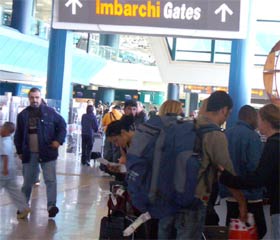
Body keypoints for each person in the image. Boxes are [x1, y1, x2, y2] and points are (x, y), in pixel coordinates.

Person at [158, 91, 247, 239]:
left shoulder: (183, 126)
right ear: (224, 110)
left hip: (167, 198)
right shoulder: (215, 135)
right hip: (193, 200)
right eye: (229, 113)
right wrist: (242, 202)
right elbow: (227, 173)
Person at [219, 103, 280, 240]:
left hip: (234, 193)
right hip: (254, 197)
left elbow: (259, 176)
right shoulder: (256, 138)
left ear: (265, 121)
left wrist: (227, 179)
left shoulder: (273, 144)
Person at [14, 87, 67, 218]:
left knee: (50, 180)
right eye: (32, 98)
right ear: (28, 98)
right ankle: (23, 207)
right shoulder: (23, 115)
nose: (34, 100)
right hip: (29, 153)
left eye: (37, 97)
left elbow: (62, 126)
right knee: (27, 183)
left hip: (47, 152)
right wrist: (19, 150)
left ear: (40, 97)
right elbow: (19, 135)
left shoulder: (50, 113)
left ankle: (51, 206)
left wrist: (58, 141)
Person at [0, 122, 31, 219]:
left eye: (2, 128)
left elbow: (5, 156)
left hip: (3, 172)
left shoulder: (4, 142)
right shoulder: (9, 140)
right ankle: (24, 207)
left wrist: (4, 169)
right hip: (11, 172)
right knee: (15, 192)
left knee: (14, 191)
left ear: (6, 131)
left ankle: (24, 208)